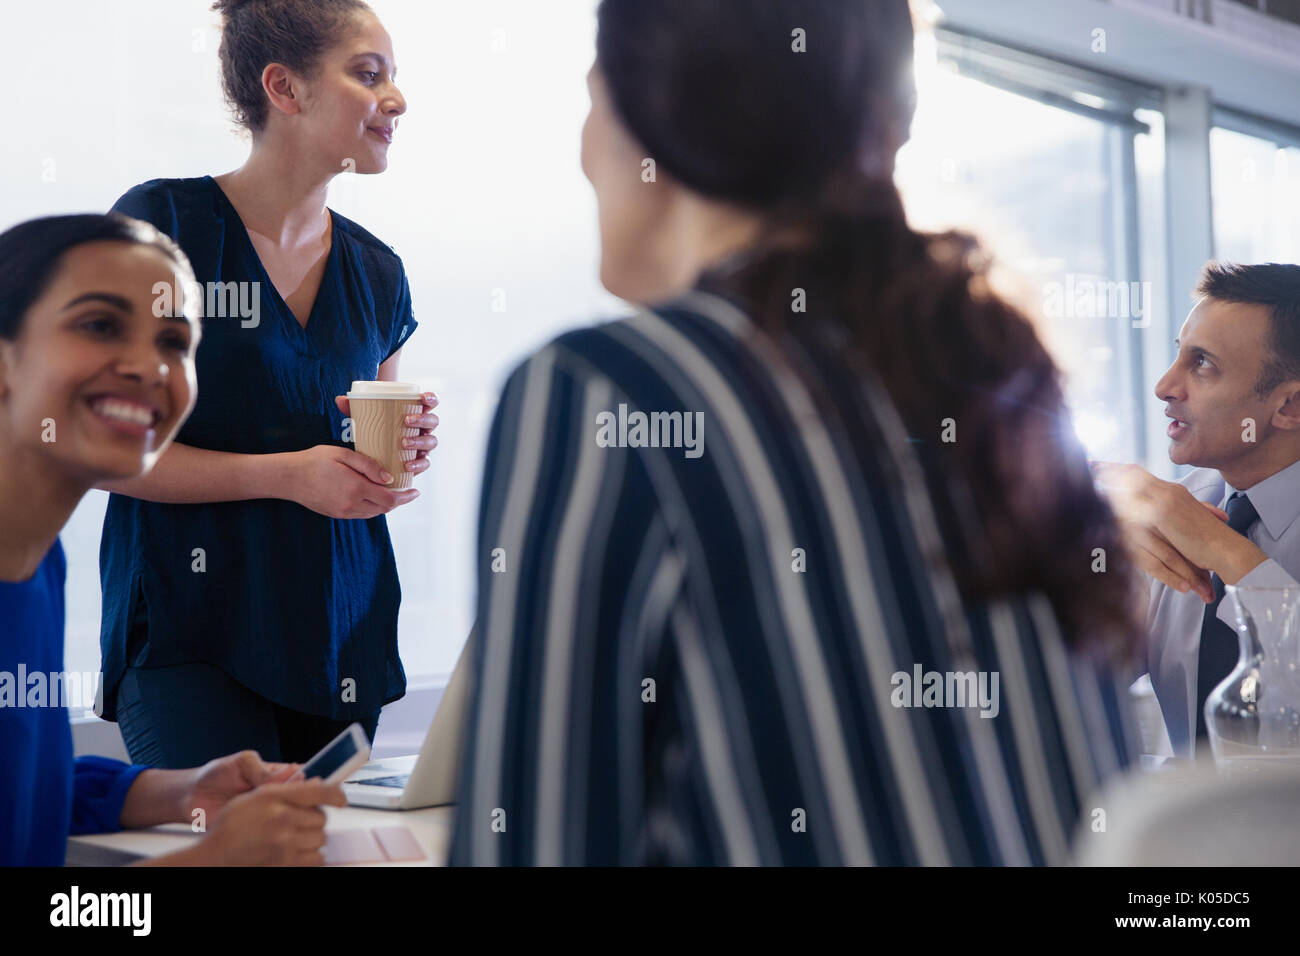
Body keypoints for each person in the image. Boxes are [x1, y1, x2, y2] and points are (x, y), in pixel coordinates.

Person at [449, 0, 1140, 866]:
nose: (582, 151)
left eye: (592, 99)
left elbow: (533, 844)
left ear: (657, 119)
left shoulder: (606, 392)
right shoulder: (993, 375)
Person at [95, 0, 439, 767]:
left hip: (340, 637)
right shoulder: (163, 227)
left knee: (328, 836)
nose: (396, 99)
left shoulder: (378, 273)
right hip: (192, 637)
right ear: (284, 87)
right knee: (227, 830)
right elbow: (103, 450)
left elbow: (369, 462)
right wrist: (287, 475)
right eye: (368, 75)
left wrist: (396, 458)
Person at [0, 213, 345, 866]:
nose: (149, 367)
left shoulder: (36, 560)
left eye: (174, 341)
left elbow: (19, 786)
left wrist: (175, 791)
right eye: (99, 325)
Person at [1096, 262, 1300, 756]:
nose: (1165, 386)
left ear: (1289, 406)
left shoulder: (1187, 520)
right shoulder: (1177, 510)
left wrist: (1220, 549)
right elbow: (1070, 681)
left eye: (1203, 364)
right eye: (1178, 354)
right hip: (1196, 806)